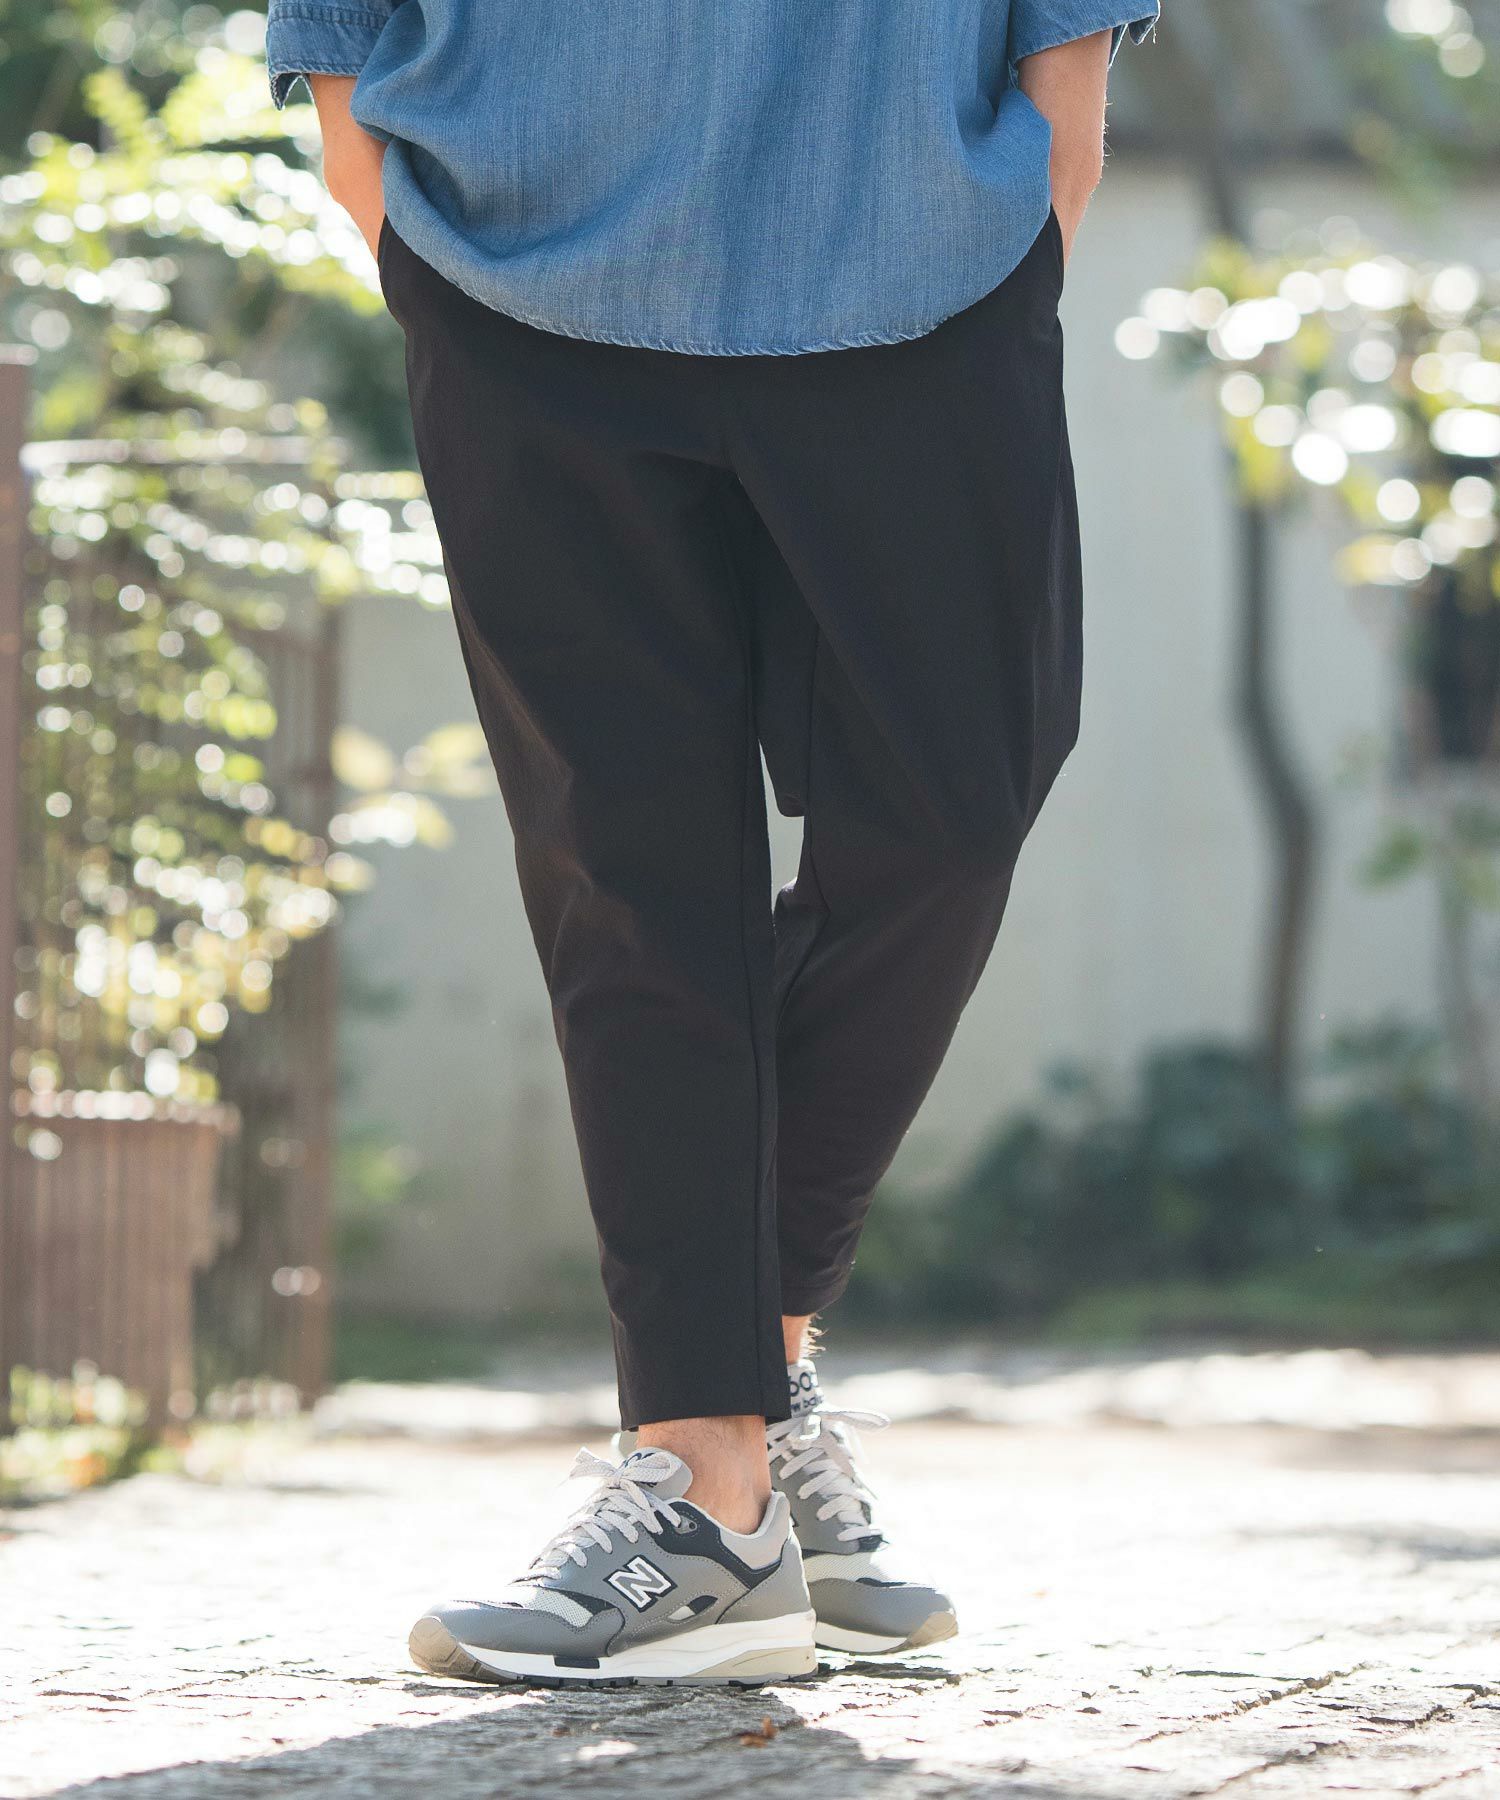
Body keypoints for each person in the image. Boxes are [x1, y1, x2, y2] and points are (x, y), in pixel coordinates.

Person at [266, 0, 1159, 1687]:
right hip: (520, 271)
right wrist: (360, 148)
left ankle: (749, 1370)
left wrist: (1043, 170)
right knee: (632, 882)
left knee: (954, 818)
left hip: (921, 260)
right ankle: (706, 1486)